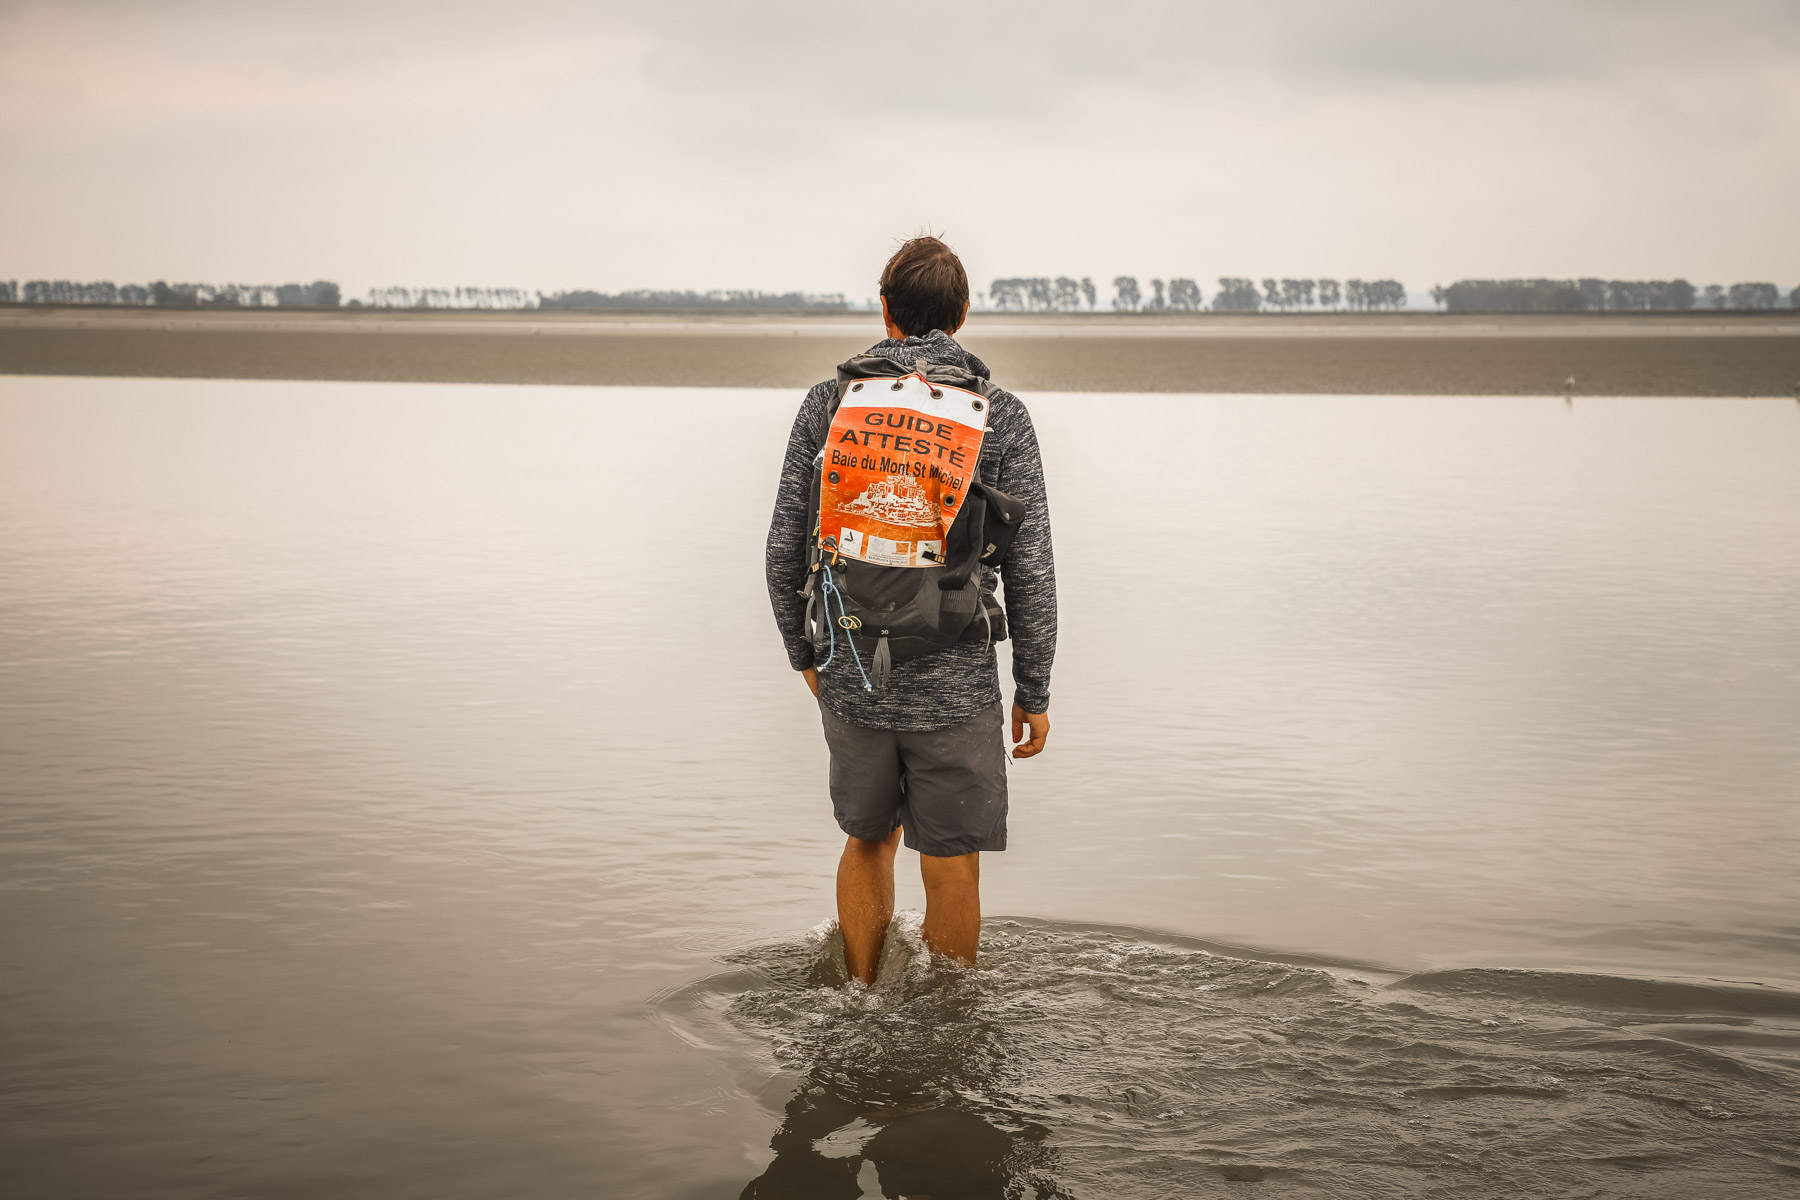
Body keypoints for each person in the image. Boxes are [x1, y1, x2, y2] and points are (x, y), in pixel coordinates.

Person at [764, 236, 1057, 985]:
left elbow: (783, 548)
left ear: (885, 308)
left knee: (867, 841)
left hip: (853, 664)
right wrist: (1035, 688)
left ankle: (858, 995)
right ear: (962, 315)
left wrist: (807, 657)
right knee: (951, 862)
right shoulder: (1000, 415)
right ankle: (948, 1025)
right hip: (956, 674)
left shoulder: (830, 404)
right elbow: (1031, 568)